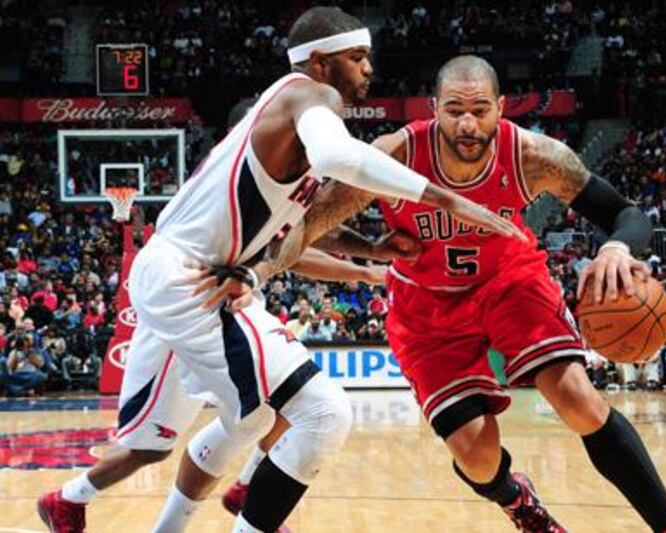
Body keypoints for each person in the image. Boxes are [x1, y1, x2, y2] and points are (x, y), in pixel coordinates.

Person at [38, 9, 520, 533]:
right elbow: (340, 155)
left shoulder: (291, 131)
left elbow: (298, 231)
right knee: (320, 413)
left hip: (186, 278)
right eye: (357, 58)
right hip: (193, 277)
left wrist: (373, 252)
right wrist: (447, 199)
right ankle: (252, 497)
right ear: (320, 62)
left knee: (162, 442)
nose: (368, 70)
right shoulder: (309, 94)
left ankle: (73, 500)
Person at [215, 56, 666, 533]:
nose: (467, 123)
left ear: (501, 108)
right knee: (476, 454)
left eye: (480, 110)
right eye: (455, 109)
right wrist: (257, 271)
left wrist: (616, 245)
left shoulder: (532, 155)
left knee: (576, 398)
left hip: (509, 281)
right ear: (434, 108)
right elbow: (306, 223)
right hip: (426, 305)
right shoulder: (393, 154)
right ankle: (517, 500)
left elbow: (626, 213)